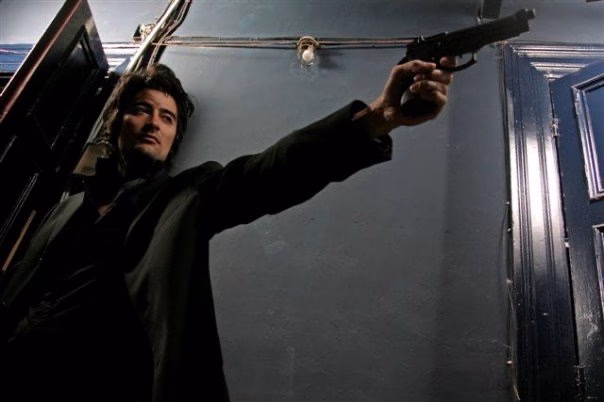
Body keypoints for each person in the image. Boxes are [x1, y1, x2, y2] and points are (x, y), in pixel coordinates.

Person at [0, 58, 454, 401]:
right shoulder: (64, 209)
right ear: (116, 121)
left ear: (174, 139)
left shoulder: (185, 196)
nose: (154, 122)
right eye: (142, 110)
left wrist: (378, 117)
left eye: (167, 117)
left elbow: (270, 173)